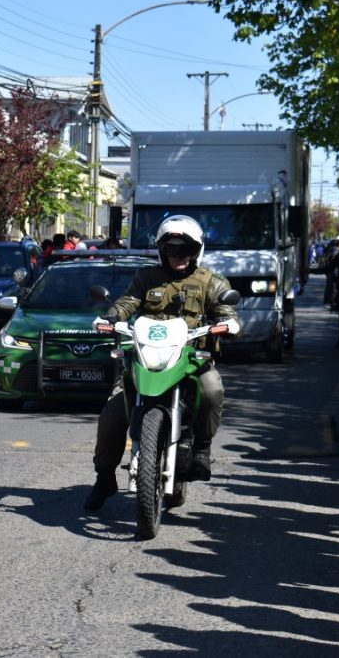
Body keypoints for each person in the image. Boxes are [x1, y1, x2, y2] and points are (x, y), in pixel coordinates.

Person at [84, 216, 240, 510]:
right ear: (162, 250)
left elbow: (226, 309)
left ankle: (202, 449)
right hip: (146, 357)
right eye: (171, 249)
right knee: (114, 410)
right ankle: (104, 477)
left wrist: (228, 322)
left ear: (196, 250)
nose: (178, 255)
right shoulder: (146, 277)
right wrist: (111, 317)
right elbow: (128, 302)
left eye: (185, 249)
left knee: (212, 390)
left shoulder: (211, 281)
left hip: (190, 359)